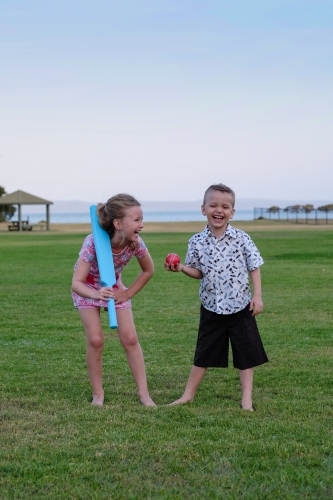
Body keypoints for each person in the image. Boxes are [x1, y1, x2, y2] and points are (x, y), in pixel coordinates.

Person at [165, 183, 268, 411]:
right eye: (213, 205)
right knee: (204, 352)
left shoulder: (241, 238)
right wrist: (182, 267)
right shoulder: (196, 241)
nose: (218, 210)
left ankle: (246, 399)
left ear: (232, 212)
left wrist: (257, 296)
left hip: (241, 305)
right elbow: (198, 272)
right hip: (212, 306)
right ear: (204, 209)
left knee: (245, 353)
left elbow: (254, 266)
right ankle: (187, 395)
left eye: (225, 206)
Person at [72, 193, 156, 407]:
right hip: (88, 289)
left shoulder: (136, 243)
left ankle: (144, 394)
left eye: (142, 219)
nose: (142, 225)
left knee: (129, 338)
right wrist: (95, 294)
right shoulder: (93, 242)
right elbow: (77, 283)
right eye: (136, 220)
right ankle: (98, 393)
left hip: (115, 288)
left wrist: (126, 294)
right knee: (96, 340)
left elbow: (148, 270)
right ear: (118, 223)